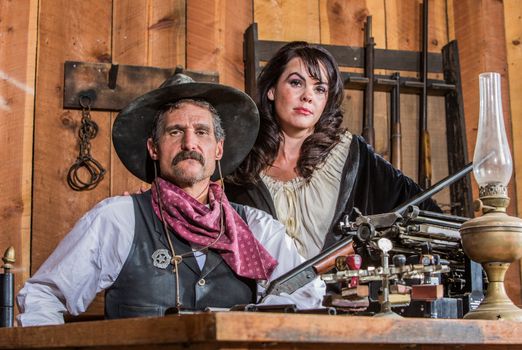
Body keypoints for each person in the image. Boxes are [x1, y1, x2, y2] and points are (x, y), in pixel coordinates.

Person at [16, 74, 325, 326]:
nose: (189, 143)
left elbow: (303, 293)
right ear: (154, 148)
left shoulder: (257, 229)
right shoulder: (118, 218)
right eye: (175, 131)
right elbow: (45, 295)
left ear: (218, 149)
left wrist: (256, 328)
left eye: (202, 132)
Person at [226, 41, 440, 259]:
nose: (308, 96)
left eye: (319, 89)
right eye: (296, 83)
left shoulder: (351, 157)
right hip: (261, 292)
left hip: (338, 292)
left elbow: (423, 210)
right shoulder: (241, 161)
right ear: (272, 90)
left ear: (326, 101)